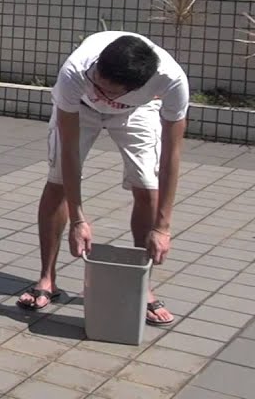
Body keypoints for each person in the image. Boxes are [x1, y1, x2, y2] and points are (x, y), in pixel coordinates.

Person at [18, 31, 187, 327]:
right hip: (79, 112)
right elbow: (69, 150)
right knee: (57, 182)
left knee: (148, 187)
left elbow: (172, 155)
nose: (96, 90)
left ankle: (142, 286)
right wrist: (78, 219)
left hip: (137, 112)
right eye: (94, 81)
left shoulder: (171, 81)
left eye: (105, 90)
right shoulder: (76, 71)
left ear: (136, 87)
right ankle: (47, 278)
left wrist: (163, 227)